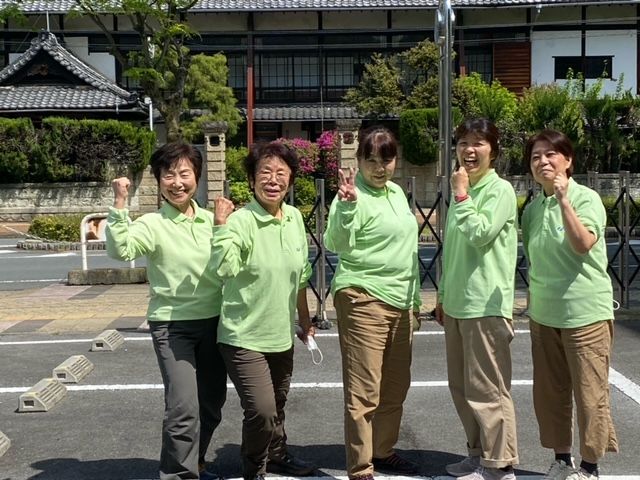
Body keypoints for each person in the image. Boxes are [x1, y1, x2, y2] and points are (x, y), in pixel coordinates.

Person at [105, 142, 227, 480]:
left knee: (211, 403)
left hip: (216, 322)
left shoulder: (212, 220)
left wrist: (223, 225)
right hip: (173, 326)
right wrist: (119, 202)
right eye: (168, 175)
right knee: (183, 406)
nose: (177, 183)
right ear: (159, 180)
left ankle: (195, 461)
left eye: (184, 174)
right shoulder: (153, 223)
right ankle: (178, 474)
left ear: (197, 177)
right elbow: (121, 249)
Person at [211, 141, 316, 480]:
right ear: (252, 180)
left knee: (278, 404)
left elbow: (300, 275)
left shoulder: (294, 217)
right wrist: (220, 227)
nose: (273, 180)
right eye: (265, 173)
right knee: (262, 410)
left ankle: (278, 454)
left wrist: (305, 322)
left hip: (281, 334)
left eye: (281, 173)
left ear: (291, 179)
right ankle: (254, 469)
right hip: (243, 335)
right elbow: (224, 269)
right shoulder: (241, 221)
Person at [324, 125, 421, 480]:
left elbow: (409, 252)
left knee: (395, 386)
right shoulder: (351, 195)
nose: (380, 168)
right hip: (363, 298)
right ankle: (361, 466)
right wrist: (348, 207)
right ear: (359, 161)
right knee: (364, 390)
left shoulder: (396, 193)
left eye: (386, 160)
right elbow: (335, 243)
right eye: (371, 160)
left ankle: (383, 449)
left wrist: (413, 301)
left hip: (401, 301)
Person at [521, 130, 618, 480]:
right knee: (550, 394)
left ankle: (590, 467)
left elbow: (582, 244)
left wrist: (564, 201)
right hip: (544, 315)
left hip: (585, 314)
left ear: (568, 160)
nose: (543, 161)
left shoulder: (586, 198)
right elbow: (533, 261)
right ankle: (562, 460)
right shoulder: (532, 210)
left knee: (590, 394)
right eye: (535, 157)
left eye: (551, 154)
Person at [435, 118, 519, 480]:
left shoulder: (499, 190)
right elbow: (453, 250)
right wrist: (442, 294)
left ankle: (500, 464)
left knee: (489, 390)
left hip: (485, 305)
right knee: (462, 388)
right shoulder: (465, 189)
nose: (469, 150)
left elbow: (480, 233)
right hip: (458, 304)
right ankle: (477, 454)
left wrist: (461, 195)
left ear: (493, 151)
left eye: (478, 143)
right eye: (463, 143)